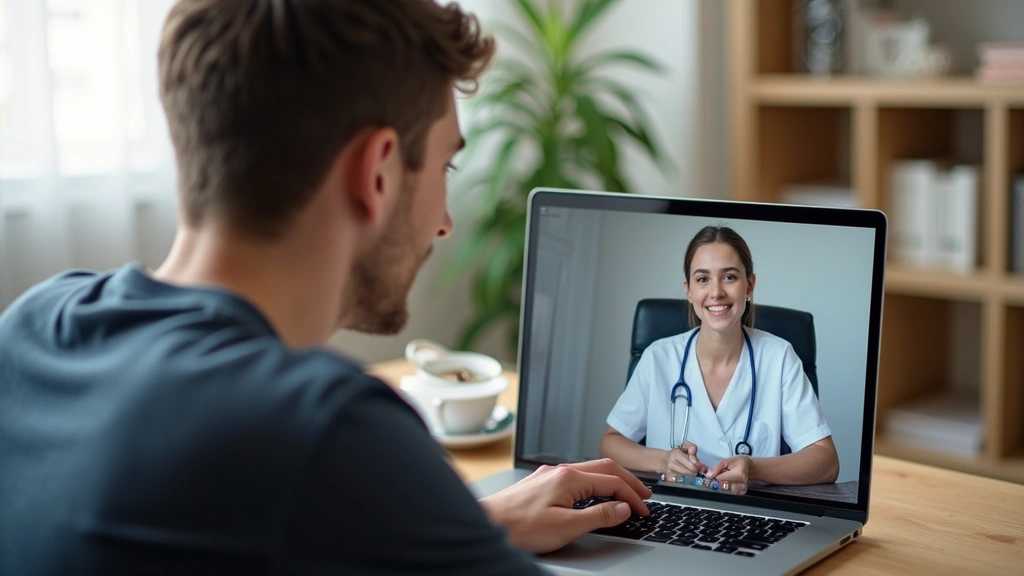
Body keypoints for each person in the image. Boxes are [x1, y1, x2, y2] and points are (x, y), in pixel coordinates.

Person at [0, 1, 653, 573]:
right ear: (376, 173)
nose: (447, 222)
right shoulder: (324, 430)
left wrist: (473, 528)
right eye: (446, 165)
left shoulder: (35, 328)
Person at [600, 225, 840, 496]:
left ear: (749, 285)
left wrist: (754, 467)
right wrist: (662, 460)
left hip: (753, 514)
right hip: (670, 508)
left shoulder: (779, 358)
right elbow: (612, 442)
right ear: (688, 290)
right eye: (702, 279)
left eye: (729, 277)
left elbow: (826, 461)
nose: (716, 292)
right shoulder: (659, 357)